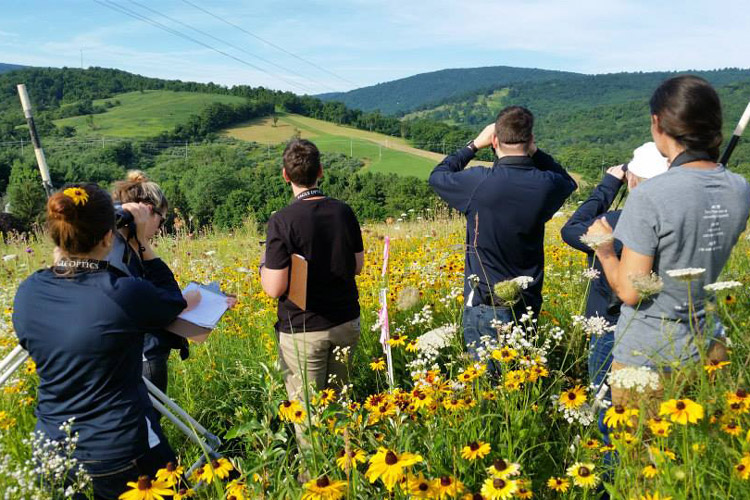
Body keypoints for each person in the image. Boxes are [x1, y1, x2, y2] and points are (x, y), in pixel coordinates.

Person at [12, 183, 188, 499]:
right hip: (118, 447)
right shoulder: (123, 293)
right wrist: (142, 242)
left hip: (53, 447)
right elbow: (172, 301)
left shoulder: (28, 293)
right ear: (108, 237)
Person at [586, 75, 750, 406]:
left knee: (639, 454)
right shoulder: (739, 188)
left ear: (657, 123)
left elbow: (631, 292)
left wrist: (604, 250)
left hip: (648, 354)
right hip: (708, 346)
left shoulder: (650, 195)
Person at [429, 106, 577, 360]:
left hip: (485, 303)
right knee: (522, 378)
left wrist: (473, 145)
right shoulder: (546, 184)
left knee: (487, 386)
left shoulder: (479, 181)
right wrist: (537, 153)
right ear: (530, 140)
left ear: (494, 140)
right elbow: (568, 181)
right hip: (527, 301)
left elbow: (438, 176)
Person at [260, 139, 364, 420]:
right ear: (320, 171)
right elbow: (357, 266)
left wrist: (262, 268)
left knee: (307, 414)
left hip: (304, 330)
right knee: (340, 405)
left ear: (285, 175)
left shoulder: (282, 221)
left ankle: (314, 465)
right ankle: (345, 460)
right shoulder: (344, 211)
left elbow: (274, 288)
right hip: (345, 322)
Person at [561, 143, 668, 394]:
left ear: (632, 180)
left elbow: (571, 229)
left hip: (613, 327)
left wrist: (608, 184)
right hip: (664, 328)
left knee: (608, 404)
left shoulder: (618, 223)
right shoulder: (678, 221)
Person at [111, 170, 189, 395]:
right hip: (143, 356)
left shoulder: (116, 248)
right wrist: (142, 239)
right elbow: (169, 300)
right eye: (161, 218)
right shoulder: (123, 254)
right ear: (147, 211)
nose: (160, 227)